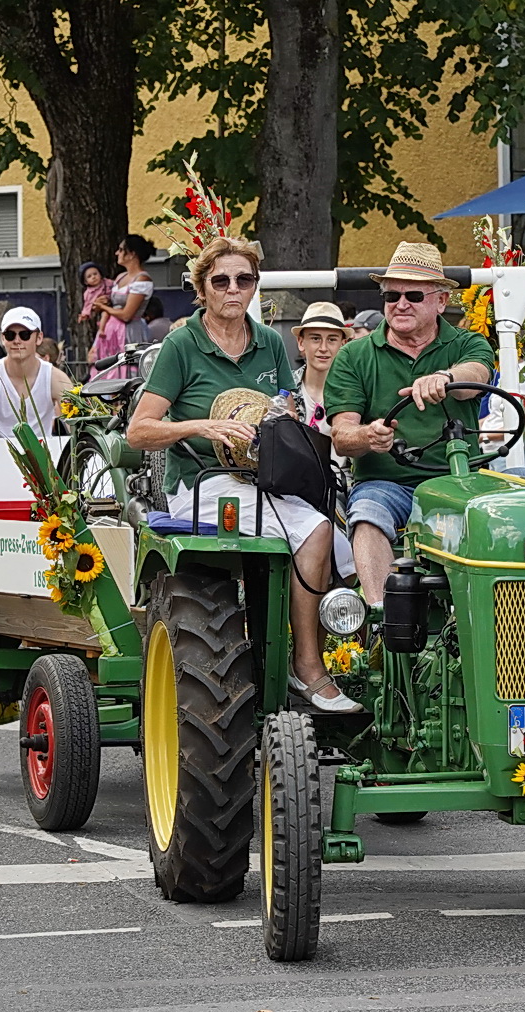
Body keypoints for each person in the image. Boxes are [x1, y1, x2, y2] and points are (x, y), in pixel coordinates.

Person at [130, 235, 359, 713]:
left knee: (319, 528)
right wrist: (201, 425)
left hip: (263, 480)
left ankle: (307, 665)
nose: (233, 289)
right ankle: (283, 661)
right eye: (221, 281)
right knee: (284, 528)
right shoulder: (181, 343)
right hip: (201, 481)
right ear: (203, 289)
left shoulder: (271, 342)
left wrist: (280, 424)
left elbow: (287, 409)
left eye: (244, 279)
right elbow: (139, 431)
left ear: (254, 286)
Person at [327, 241, 495, 607]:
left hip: (459, 482)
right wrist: (368, 435)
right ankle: (385, 622)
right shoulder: (354, 356)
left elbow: (477, 373)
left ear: (441, 301)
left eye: (414, 295)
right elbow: (342, 435)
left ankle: (495, 623)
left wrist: (446, 378)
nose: (400, 304)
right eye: (391, 296)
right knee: (367, 515)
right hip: (388, 484)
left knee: (503, 523)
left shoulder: (468, 344)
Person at [0, 307, 71, 440]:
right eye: (10, 335)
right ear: (2, 339)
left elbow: (75, 429)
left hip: (43, 456)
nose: (17, 341)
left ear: (39, 338)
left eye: (25, 334)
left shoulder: (56, 378)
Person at [291, 302, 352, 438]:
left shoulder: (355, 391)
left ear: (343, 345)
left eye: (331, 339)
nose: (323, 348)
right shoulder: (284, 389)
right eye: (316, 338)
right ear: (301, 343)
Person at [89, 234, 155, 354]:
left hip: (129, 333)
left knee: (126, 368)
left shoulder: (142, 279)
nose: (116, 253)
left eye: (120, 250)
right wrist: (105, 301)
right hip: (111, 331)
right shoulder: (121, 277)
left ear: (131, 254)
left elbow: (126, 315)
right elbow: (114, 303)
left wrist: (103, 307)